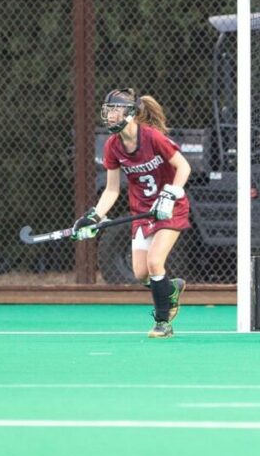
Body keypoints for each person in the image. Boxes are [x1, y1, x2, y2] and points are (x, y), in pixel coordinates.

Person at [72, 88, 191, 339]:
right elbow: (112, 190)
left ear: (131, 113)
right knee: (140, 273)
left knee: (155, 262)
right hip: (143, 212)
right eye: (109, 110)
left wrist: (170, 194)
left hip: (170, 208)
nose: (111, 115)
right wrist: (94, 217)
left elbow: (184, 166)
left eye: (116, 110)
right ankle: (170, 289)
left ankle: (163, 322)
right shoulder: (112, 146)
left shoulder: (152, 138)